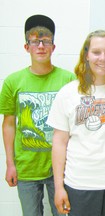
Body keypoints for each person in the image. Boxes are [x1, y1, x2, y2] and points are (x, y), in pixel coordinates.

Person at [46, 30, 105, 216]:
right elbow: (59, 142)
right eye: (96, 52)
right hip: (80, 183)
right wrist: (59, 187)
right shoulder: (68, 93)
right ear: (86, 55)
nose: (102, 58)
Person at [0, 14, 75, 216]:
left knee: (64, 213)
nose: (41, 46)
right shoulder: (12, 82)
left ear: (53, 46)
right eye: (35, 41)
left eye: (46, 41)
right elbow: (8, 124)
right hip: (26, 168)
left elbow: (75, 124)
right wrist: (10, 164)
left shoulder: (69, 79)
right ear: (27, 47)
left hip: (61, 168)